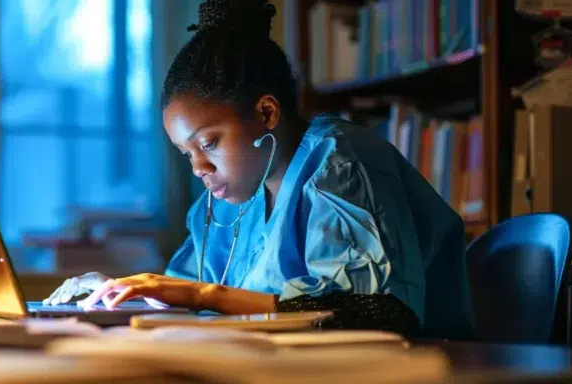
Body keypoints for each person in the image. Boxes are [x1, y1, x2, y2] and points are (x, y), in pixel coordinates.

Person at [42, 0, 474, 339]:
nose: (199, 167)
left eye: (208, 143)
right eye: (185, 153)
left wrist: (201, 294)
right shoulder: (233, 199)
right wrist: (116, 296)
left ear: (267, 113)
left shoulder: (340, 165)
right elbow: (180, 293)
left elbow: (376, 315)